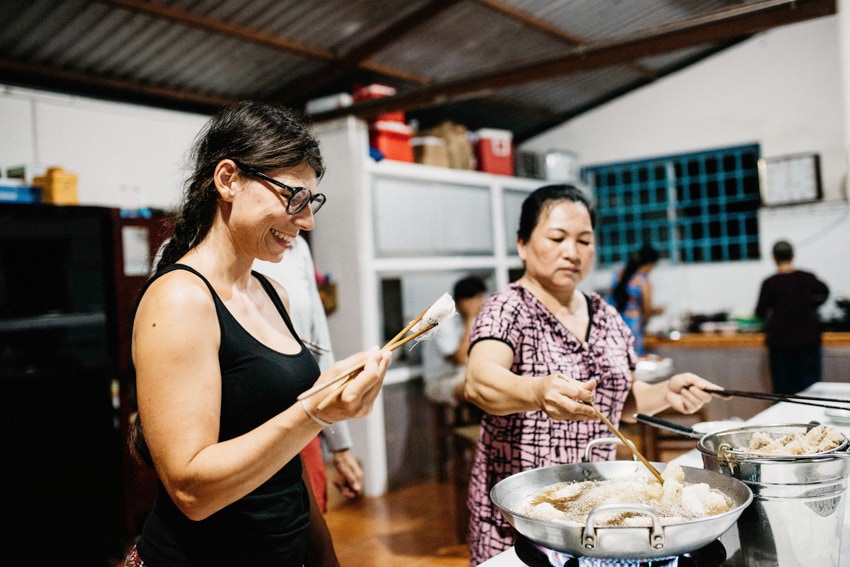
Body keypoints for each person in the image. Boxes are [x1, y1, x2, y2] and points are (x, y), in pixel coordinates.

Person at [125, 101, 391, 567]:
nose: (306, 221)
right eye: (294, 197)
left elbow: (284, 463)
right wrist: (316, 412)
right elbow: (192, 491)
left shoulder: (273, 294)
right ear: (228, 180)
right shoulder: (181, 300)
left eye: (312, 203)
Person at [462, 184, 723, 565]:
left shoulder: (605, 314)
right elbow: (479, 380)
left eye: (584, 240)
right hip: (521, 516)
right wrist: (537, 390)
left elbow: (623, 400)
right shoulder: (507, 308)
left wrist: (667, 391)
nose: (572, 251)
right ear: (522, 244)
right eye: (557, 238)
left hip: (590, 508)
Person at [254, 235, 364, 511]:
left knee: (309, 526)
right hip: (240, 435)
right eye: (291, 196)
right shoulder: (189, 254)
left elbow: (320, 351)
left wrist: (340, 443)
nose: (308, 221)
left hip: (302, 423)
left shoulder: (296, 247)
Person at [755, 239, 830, 395]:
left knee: (784, 391)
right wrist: (812, 306)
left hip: (781, 343)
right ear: (793, 255)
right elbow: (825, 292)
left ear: (774, 258)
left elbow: (760, 312)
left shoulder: (770, 283)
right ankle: (812, 419)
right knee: (811, 389)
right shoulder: (808, 278)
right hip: (808, 341)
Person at [421, 275, 487, 407]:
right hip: (440, 380)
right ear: (464, 301)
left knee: (496, 382)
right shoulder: (443, 322)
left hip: (463, 375)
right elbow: (460, 359)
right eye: (478, 299)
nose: (482, 303)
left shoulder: (474, 320)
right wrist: (469, 320)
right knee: (479, 389)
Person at [607, 243, 664, 355]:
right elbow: (646, 310)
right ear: (650, 264)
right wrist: (658, 311)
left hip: (610, 325)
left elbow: (610, 294)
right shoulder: (644, 282)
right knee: (633, 362)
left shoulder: (619, 270)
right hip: (632, 328)